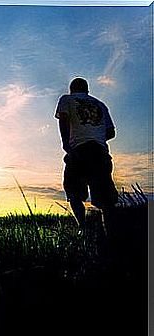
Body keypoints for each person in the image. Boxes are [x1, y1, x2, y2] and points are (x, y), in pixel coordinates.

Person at [54, 77, 118, 231]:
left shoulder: (66, 99)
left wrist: (67, 145)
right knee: (105, 197)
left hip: (79, 151)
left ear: (71, 89)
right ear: (87, 90)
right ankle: (110, 234)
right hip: (100, 152)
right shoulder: (100, 104)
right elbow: (110, 132)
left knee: (73, 191)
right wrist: (95, 136)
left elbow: (63, 120)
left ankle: (83, 228)